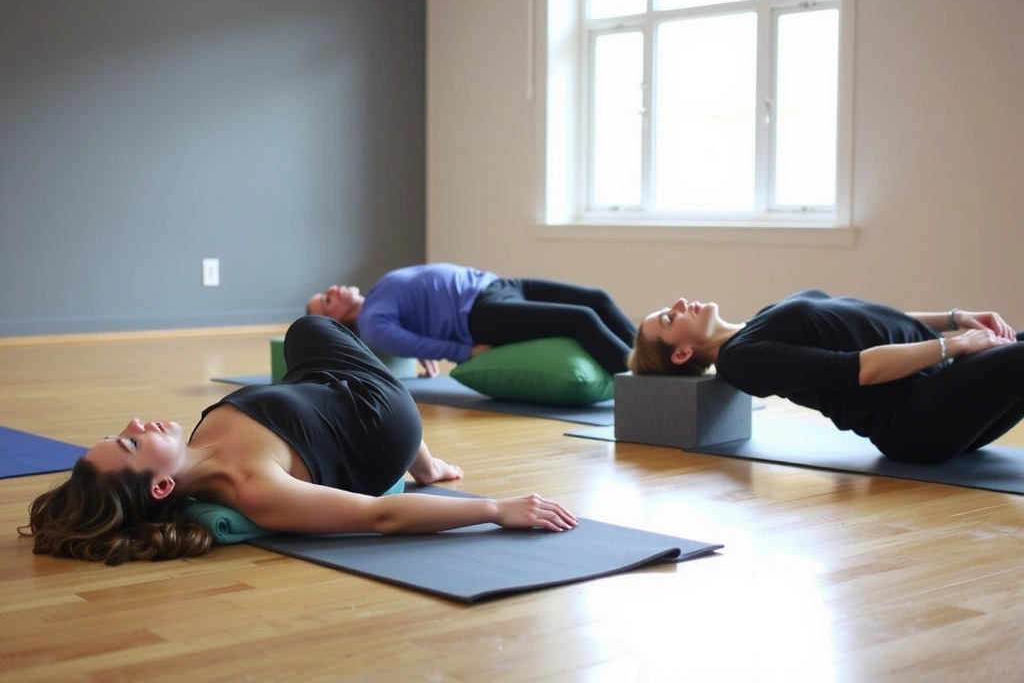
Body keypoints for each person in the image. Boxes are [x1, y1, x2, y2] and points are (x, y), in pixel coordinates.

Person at [20, 315, 577, 565]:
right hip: (383, 418)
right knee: (314, 330)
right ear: (162, 484)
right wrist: (497, 509)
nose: (136, 425)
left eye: (123, 433)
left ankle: (427, 463)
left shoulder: (198, 442)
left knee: (307, 330)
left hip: (323, 390)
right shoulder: (255, 490)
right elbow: (379, 518)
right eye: (132, 445)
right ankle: (424, 463)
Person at [628, 289, 1021, 465]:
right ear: (681, 354)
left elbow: (870, 317)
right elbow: (859, 369)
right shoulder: (742, 360)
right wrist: (957, 345)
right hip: (913, 419)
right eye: (669, 318)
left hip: (941, 383)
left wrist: (955, 320)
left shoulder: (759, 322)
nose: (679, 304)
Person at [306, 262, 637, 378]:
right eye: (326, 301)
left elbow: (415, 317)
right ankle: (641, 380)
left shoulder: (378, 297)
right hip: (481, 314)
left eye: (325, 292)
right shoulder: (373, 324)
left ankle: (650, 354)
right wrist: (463, 352)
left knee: (597, 297)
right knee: (582, 319)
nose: (331, 291)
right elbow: (411, 342)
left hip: (499, 286)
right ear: (334, 320)